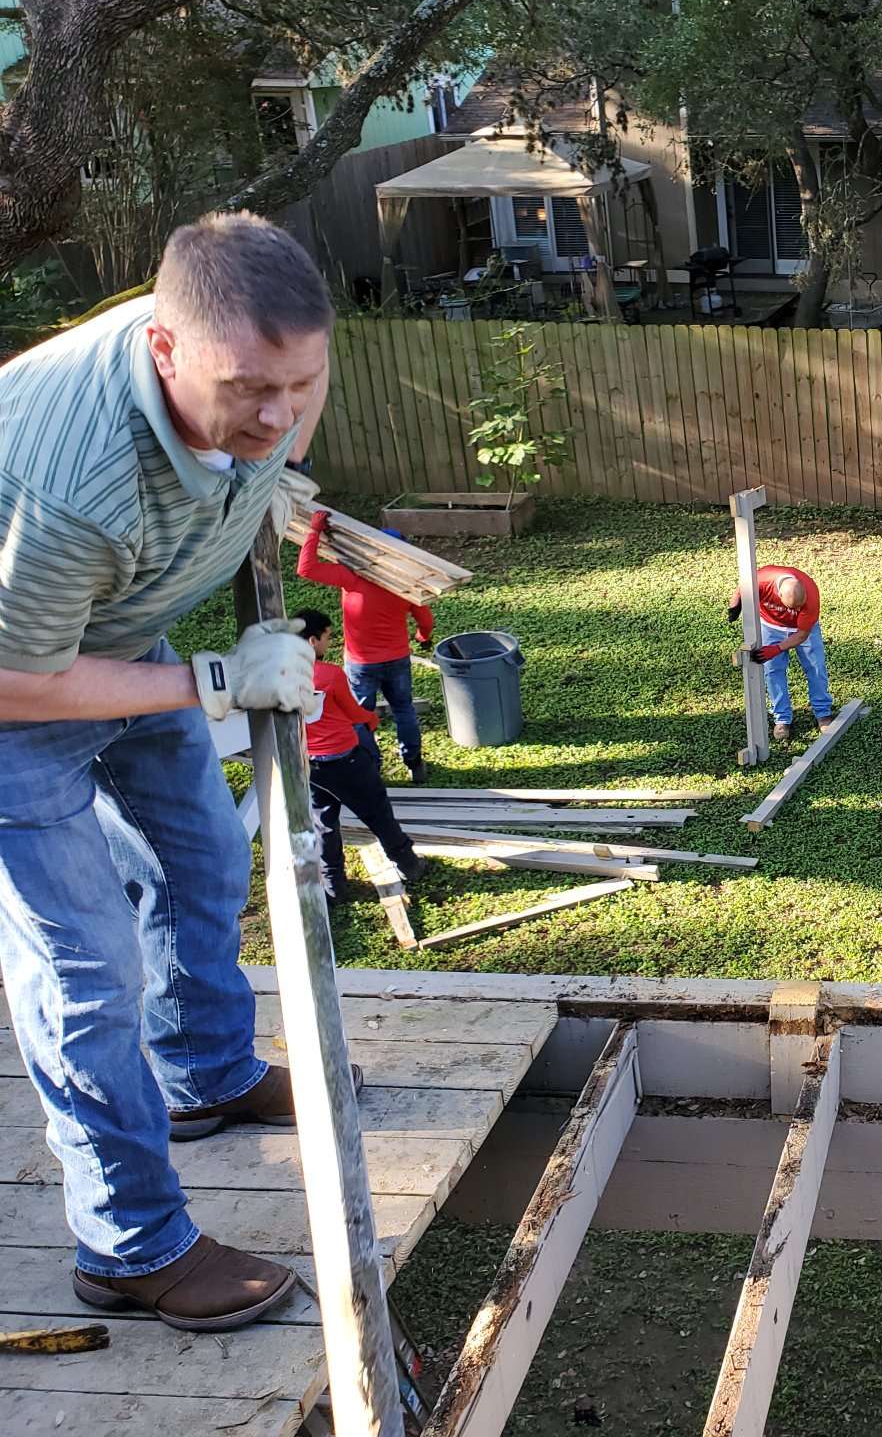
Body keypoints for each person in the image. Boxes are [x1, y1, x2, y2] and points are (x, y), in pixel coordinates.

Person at [0, 213, 352, 1332]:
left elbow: (282, 422)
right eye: (250, 388)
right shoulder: (68, 484)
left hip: (104, 639)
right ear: (163, 350)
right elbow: (15, 681)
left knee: (201, 854)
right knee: (85, 970)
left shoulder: (267, 382)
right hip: (15, 686)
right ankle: (130, 1246)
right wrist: (213, 676)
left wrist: (276, 468)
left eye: (301, 382)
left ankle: (204, 1071)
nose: (281, 411)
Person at [297, 608, 425, 907]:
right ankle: (409, 864)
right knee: (378, 813)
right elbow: (354, 712)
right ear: (312, 640)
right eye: (328, 637)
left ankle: (333, 886)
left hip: (311, 764)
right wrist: (370, 719)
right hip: (347, 758)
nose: (330, 642)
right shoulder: (329, 675)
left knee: (324, 823)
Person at [296, 508, 435, 782]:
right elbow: (426, 620)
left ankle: (371, 766)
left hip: (361, 664)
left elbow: (306, 568)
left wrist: (314, 531)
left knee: (360, 715)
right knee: (403, 709)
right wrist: (422, 636)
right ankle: (414, 763)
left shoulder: (353, 578)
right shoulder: (405, 587)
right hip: (397, 660)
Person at [728, 564, 836, 742]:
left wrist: (777, 648)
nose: (795, 611)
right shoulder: (762, 580)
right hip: (770, 626)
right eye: (792, 607)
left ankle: (823, 713)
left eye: (798, 607)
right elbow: (741, 589)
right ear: (779, 595)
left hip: (802, 631)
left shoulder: (811, 593)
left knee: (816, 667)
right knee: (772, 672)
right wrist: (735, 604)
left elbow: (802, 635)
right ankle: (782, 718)